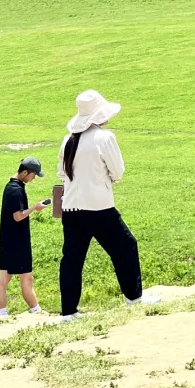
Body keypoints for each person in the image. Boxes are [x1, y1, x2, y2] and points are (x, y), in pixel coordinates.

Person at [58, 90, 150, 321]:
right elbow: (117, 171)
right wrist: (104, 181)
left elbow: (62, 173)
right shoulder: (104, 137)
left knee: (72, 259)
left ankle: (69, 311)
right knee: (126, 247)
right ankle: (134, 296)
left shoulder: (68, 139)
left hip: (71, 207)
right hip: (98, 206)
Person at [0, 157, 50, 316]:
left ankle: (2, 314)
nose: (33, 179)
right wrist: (35, 207)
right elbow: (18, 216)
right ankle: (36, 311)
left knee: (4, 279)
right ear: (25, 172)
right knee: (26, 278)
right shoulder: (16, 190)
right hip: (17, 242)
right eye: (33, 175)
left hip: (8, 240)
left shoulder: (11, 186)